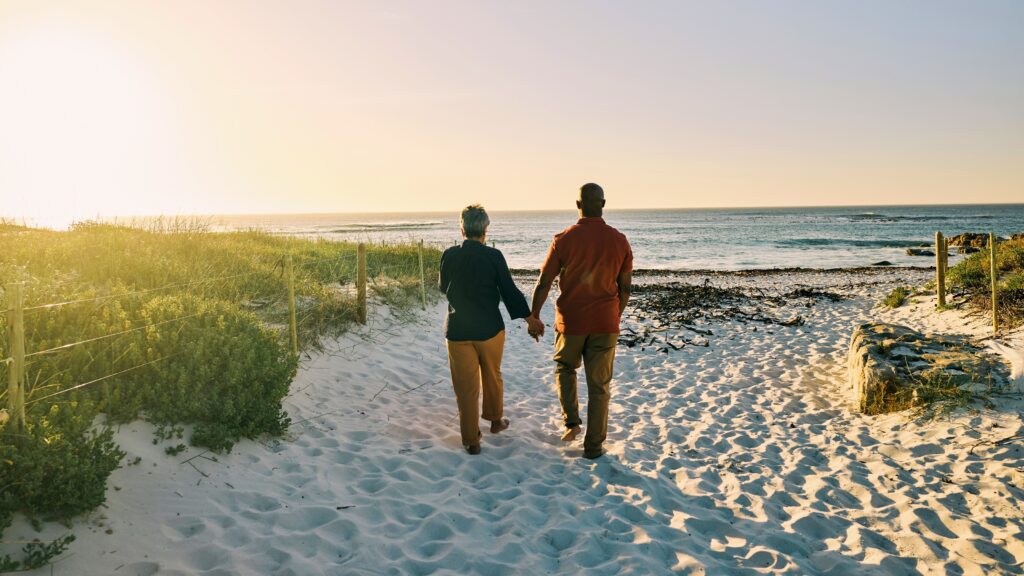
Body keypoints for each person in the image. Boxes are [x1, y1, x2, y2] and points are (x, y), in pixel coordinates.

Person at [528, 183, 632, 459]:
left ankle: (572, 422)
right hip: (605, 323)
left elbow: (544, 282)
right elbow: (626, 288)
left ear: (578, 205)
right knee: (599, 387)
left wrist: (534, 315)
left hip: (572, 322)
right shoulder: (620, 240)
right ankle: (594, 447)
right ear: (603, 203)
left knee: (564, 367)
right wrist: (615, 314)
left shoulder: (563, 239)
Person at [439, 204, 545, 455]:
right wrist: (530, 318)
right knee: (492, 374)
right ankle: (496, 421)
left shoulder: (449, 255)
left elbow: (443, 288)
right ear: (485, 229)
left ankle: (471, 441)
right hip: (489, 329)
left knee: (465, 387)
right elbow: (509, 291)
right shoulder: (493, 256)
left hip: (458, 330)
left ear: (462, 228)